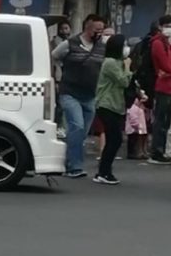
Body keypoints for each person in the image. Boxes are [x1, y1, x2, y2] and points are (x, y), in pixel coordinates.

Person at [51, 14, 106, 178]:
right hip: (70, 93)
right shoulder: (70, 44)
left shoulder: (101, 47)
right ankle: (74, 167)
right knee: (77, 126)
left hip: (90, 95)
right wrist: (60, 72)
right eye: (97, 29)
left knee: (81, 133)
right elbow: (54, 56)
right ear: (87, 27)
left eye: (102, 29)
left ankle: (67, 159)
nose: (100, 33)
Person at [93, 35, 133, 185]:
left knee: (113, 139)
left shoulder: (118, 62)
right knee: (115, 139)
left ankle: (103, 171)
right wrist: (128, 67)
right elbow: (123, 81)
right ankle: (104, 171)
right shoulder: (110, 63)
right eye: (124, 45)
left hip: (117, 105)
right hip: (106, 104)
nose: (126, 48)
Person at [149, 15, 171, 164]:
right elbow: (166, 65)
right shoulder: (158, 43)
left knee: (166, 122)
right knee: (161, 121)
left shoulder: (167, 43)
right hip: (164, 87)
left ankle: (163, 150)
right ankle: (157, 151)